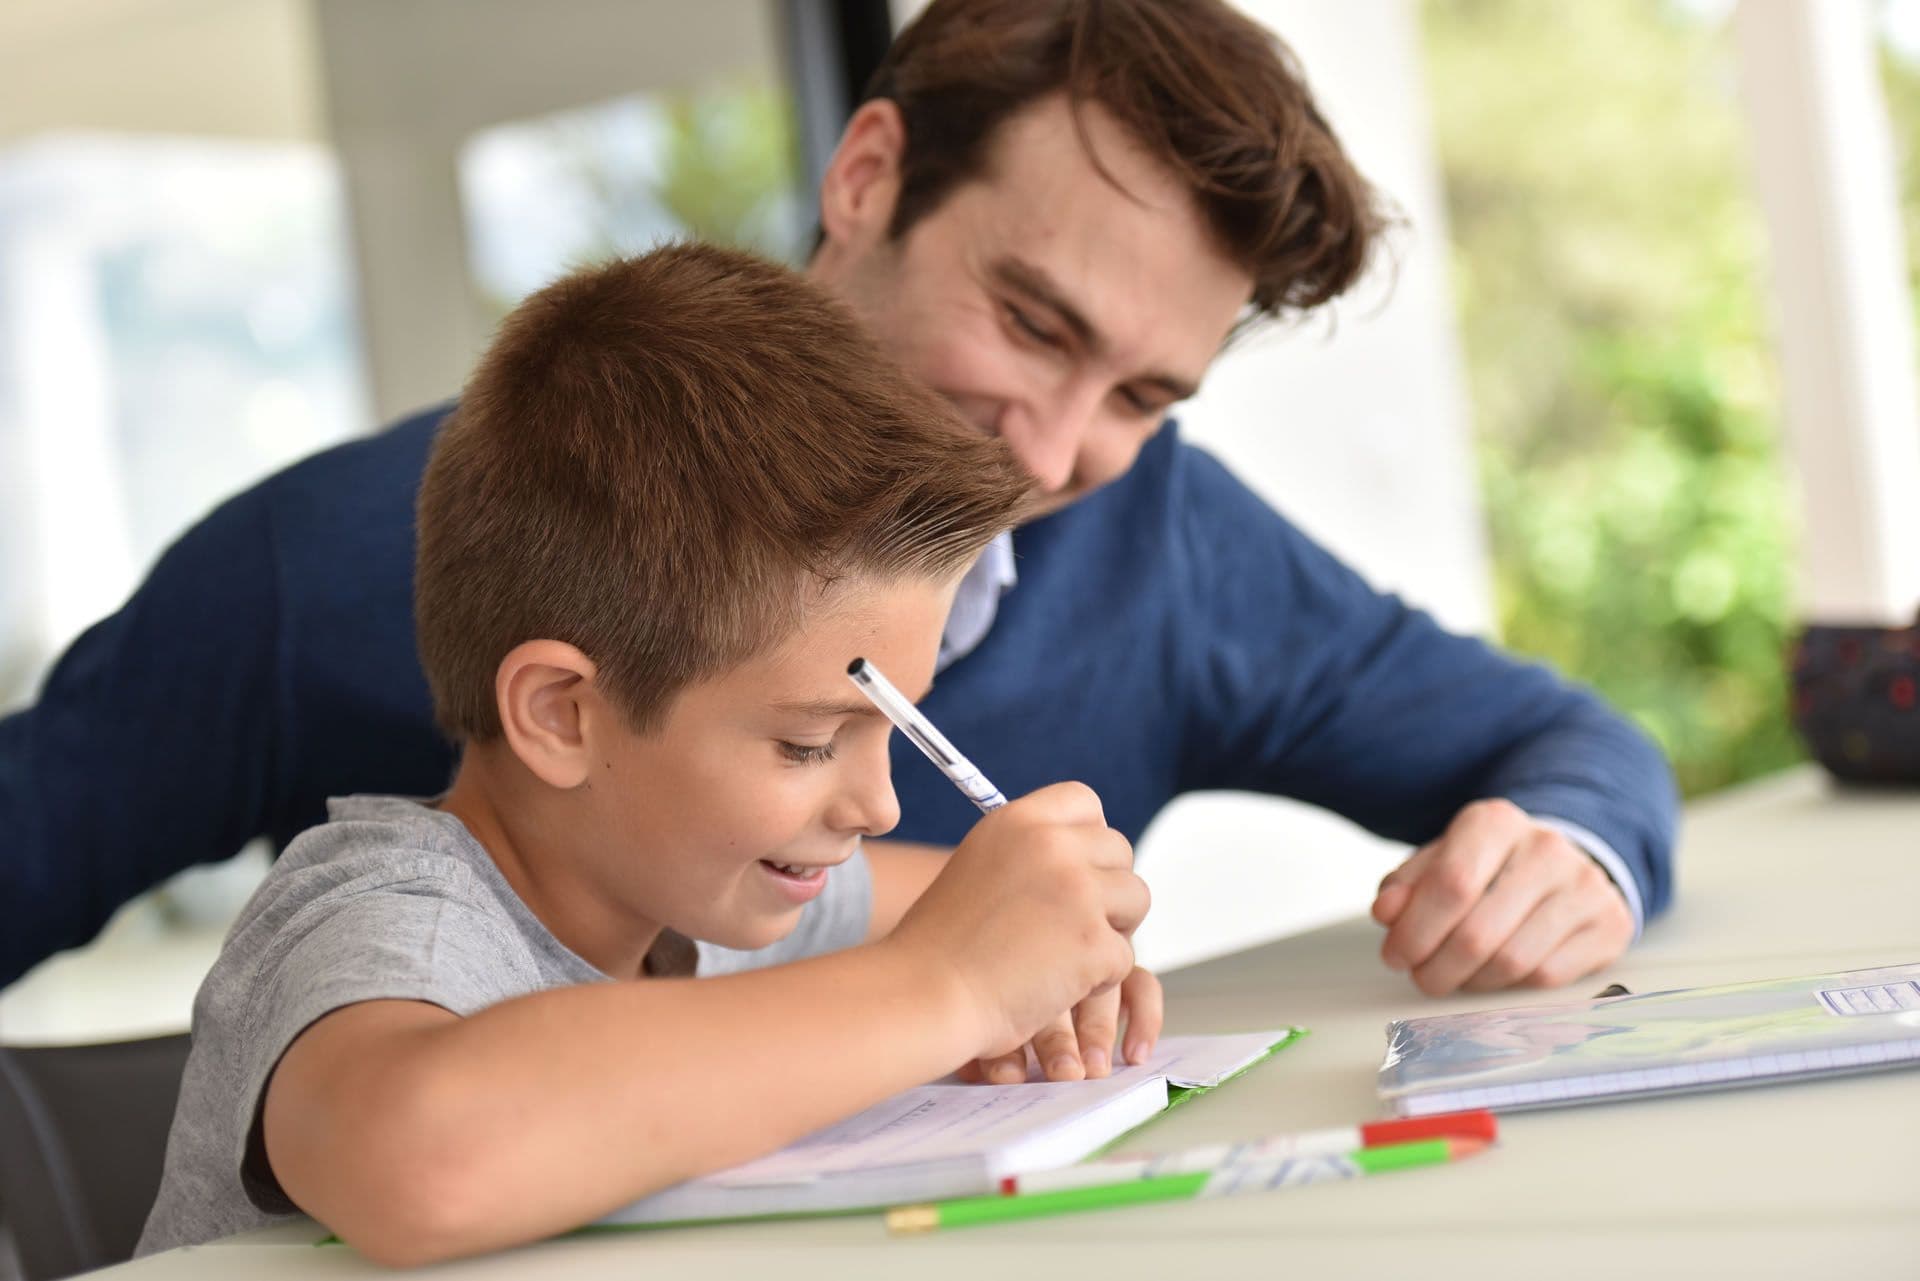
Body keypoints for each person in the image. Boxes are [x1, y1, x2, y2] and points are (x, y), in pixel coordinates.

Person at [0, 0, 1675, 1036]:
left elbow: (1566, 746)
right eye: (1031, 323)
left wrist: (1566, 857)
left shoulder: (1166, 542)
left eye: (1144, 396)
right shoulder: (332, 563)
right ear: (868, 177)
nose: (1054, 452)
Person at [136, 244, 1157, 1264]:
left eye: (895, 728)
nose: (878, 804)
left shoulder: (689, 891)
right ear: (562, 716)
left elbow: (958, 900)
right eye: (808, 742)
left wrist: (1052, 932)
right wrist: (947, 987)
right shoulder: (381, 914)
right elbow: (424, 1160)